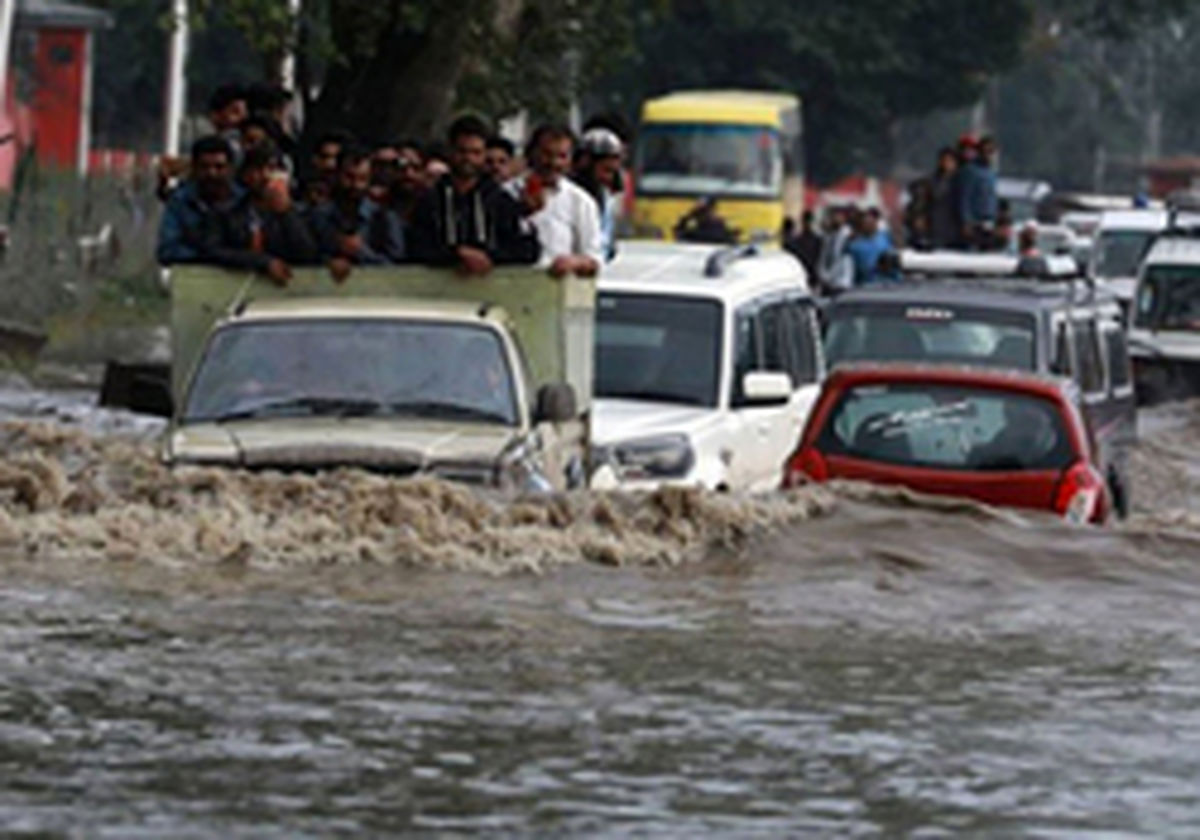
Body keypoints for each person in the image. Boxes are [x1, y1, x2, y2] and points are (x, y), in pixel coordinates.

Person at [409, 115, 539, 273]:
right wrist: (456, 254)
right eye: (462, 151)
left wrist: (487, 257)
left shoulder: (500, 200)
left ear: (484, 154)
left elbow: (526, 251)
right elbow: (416, 247)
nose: (468, 159)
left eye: (476, 152)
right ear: (450, 151)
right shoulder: (430, 200)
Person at [200, 143, 319, 285]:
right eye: (258, 169)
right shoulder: (224, 213)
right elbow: (212, 251)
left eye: (272, 169)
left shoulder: (303, 213)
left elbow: (308, 255)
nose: (265, 176)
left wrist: (286, 213)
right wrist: (263, 262)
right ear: (245, 175)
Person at [510, 124, 602, 278]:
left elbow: (594, 258)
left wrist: (574, 263)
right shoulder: (507, 193)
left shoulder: (580, 201)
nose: (554, 163)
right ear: (532, 154)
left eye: (562, 156)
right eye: (546, 154)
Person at [309, 144, 407, 281]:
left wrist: (361, 252)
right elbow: (305, 254)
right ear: (337, 175)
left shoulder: (384, 217)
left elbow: (399, 268)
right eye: (349, 177)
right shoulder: (318, 216)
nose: (355, 185)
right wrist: (328, 262)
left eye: (362, 179)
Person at [157, 135, 245, 266]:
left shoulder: (244, 201)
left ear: (230, 169)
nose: (212, 173)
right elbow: (167, 251)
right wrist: (209, 255)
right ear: (194, 168)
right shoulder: (180, 201)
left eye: (219, 167)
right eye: (204, 167)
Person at [572, 127, 624, 261]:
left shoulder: (607, 200)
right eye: (606, 170)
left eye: (613, 172)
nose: (608, 178)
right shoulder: (568, 198)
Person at [955, 134, 997, 249]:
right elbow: (964, 197)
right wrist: (966, 221)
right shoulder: (970, 171)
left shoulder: (991, 173)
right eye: (986, 151)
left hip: (989, 221)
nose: (989, 155)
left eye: (991, 151)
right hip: (975, 222)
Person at [845, 207, 894, 286]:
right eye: (866, 223)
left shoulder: (885, 237)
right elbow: (851, 269)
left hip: (887, 282)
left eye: (872, 223)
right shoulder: (855, 245)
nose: (870, 225)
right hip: (865, 284)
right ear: (862, 225)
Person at [784, 210, 823, 279]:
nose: (806, 224)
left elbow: (820, 259)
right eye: (805, 221)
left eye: (808, 221)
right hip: (801, 274)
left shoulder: (818, 240)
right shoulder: (797, 240)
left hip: (811, 274)